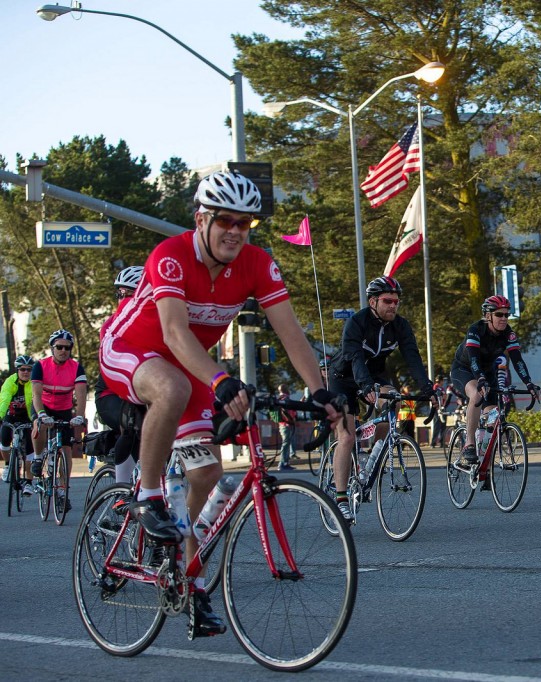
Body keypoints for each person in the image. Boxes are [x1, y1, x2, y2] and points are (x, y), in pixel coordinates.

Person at [99, 170, 342, 638]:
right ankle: (148, 496)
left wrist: (318, 390)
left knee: (207, 476)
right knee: (171, 388)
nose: (235, 231)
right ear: (201, 219)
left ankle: (187, 576)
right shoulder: (170, 256)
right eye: (225, 220)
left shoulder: (257, 264)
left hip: (189, 370)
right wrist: (221, 380)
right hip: (132, 349)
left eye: (245, 224)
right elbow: (172, 333)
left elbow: (291, 334)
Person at [328, 276, 435, 522]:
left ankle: (371, 463)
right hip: (343, 377)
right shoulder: (356, 322)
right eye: (387, 301)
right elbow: (355, 358)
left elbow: (413, 358)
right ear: (373, 301)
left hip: (374, 375)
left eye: (396, 301)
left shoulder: (400, 325)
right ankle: (341, 499)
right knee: (347, 435)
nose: (393, 306)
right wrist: (365, 386)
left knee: (393, 400)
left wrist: (427, 388)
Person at [451, 295, 540, 468]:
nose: (504, 318)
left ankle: (484, 460)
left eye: (507, 314)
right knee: (476, 394)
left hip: (487, 372)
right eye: (499, 314)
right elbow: (474, 359)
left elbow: (517, 360)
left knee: (494, 415)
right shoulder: (475, 329)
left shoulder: (508, 333)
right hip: (465, 369)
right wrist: (481, 379)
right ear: (488, 315)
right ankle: (469, 444)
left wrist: (529, 383)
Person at [95, 266, 145, 484]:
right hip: (112, 393)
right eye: (119, 294)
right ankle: (121, 489)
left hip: (143, 390)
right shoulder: (112, 325)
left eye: (128, 294)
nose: (121, 299)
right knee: (131, 422)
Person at [29, 330, 88, 503]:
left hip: (64, 408)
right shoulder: (40, 366)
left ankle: (63, 488)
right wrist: (40, 414)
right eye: (59, 347)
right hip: (44, 405)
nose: (63, 350)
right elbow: (36, 395)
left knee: (67, 449)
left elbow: (82, 395)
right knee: (39, 425)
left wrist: (79, 416)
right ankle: (38, 457)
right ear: (52, 348)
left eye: (67, 348)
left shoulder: (77, 368)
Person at [1, 355, 35, 483]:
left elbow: (37, 402)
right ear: (17, 370)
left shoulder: (34, 383)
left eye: (29, 369)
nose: (26, 372)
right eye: (22, 369)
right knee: (4, 439)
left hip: (27, 418)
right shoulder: (10, 382)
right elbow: (4, 400)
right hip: (11, 415)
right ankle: (7, 464)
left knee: (30, 447)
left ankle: (28, 482)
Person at [276, 384, 297, 471]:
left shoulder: (279, 398)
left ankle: (285, 463)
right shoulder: (285, 398)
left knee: (286, 444)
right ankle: (282, 463)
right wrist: (290, 419)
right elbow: (286, 410)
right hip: (286, 424)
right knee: (285, 444)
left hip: (282, 424)